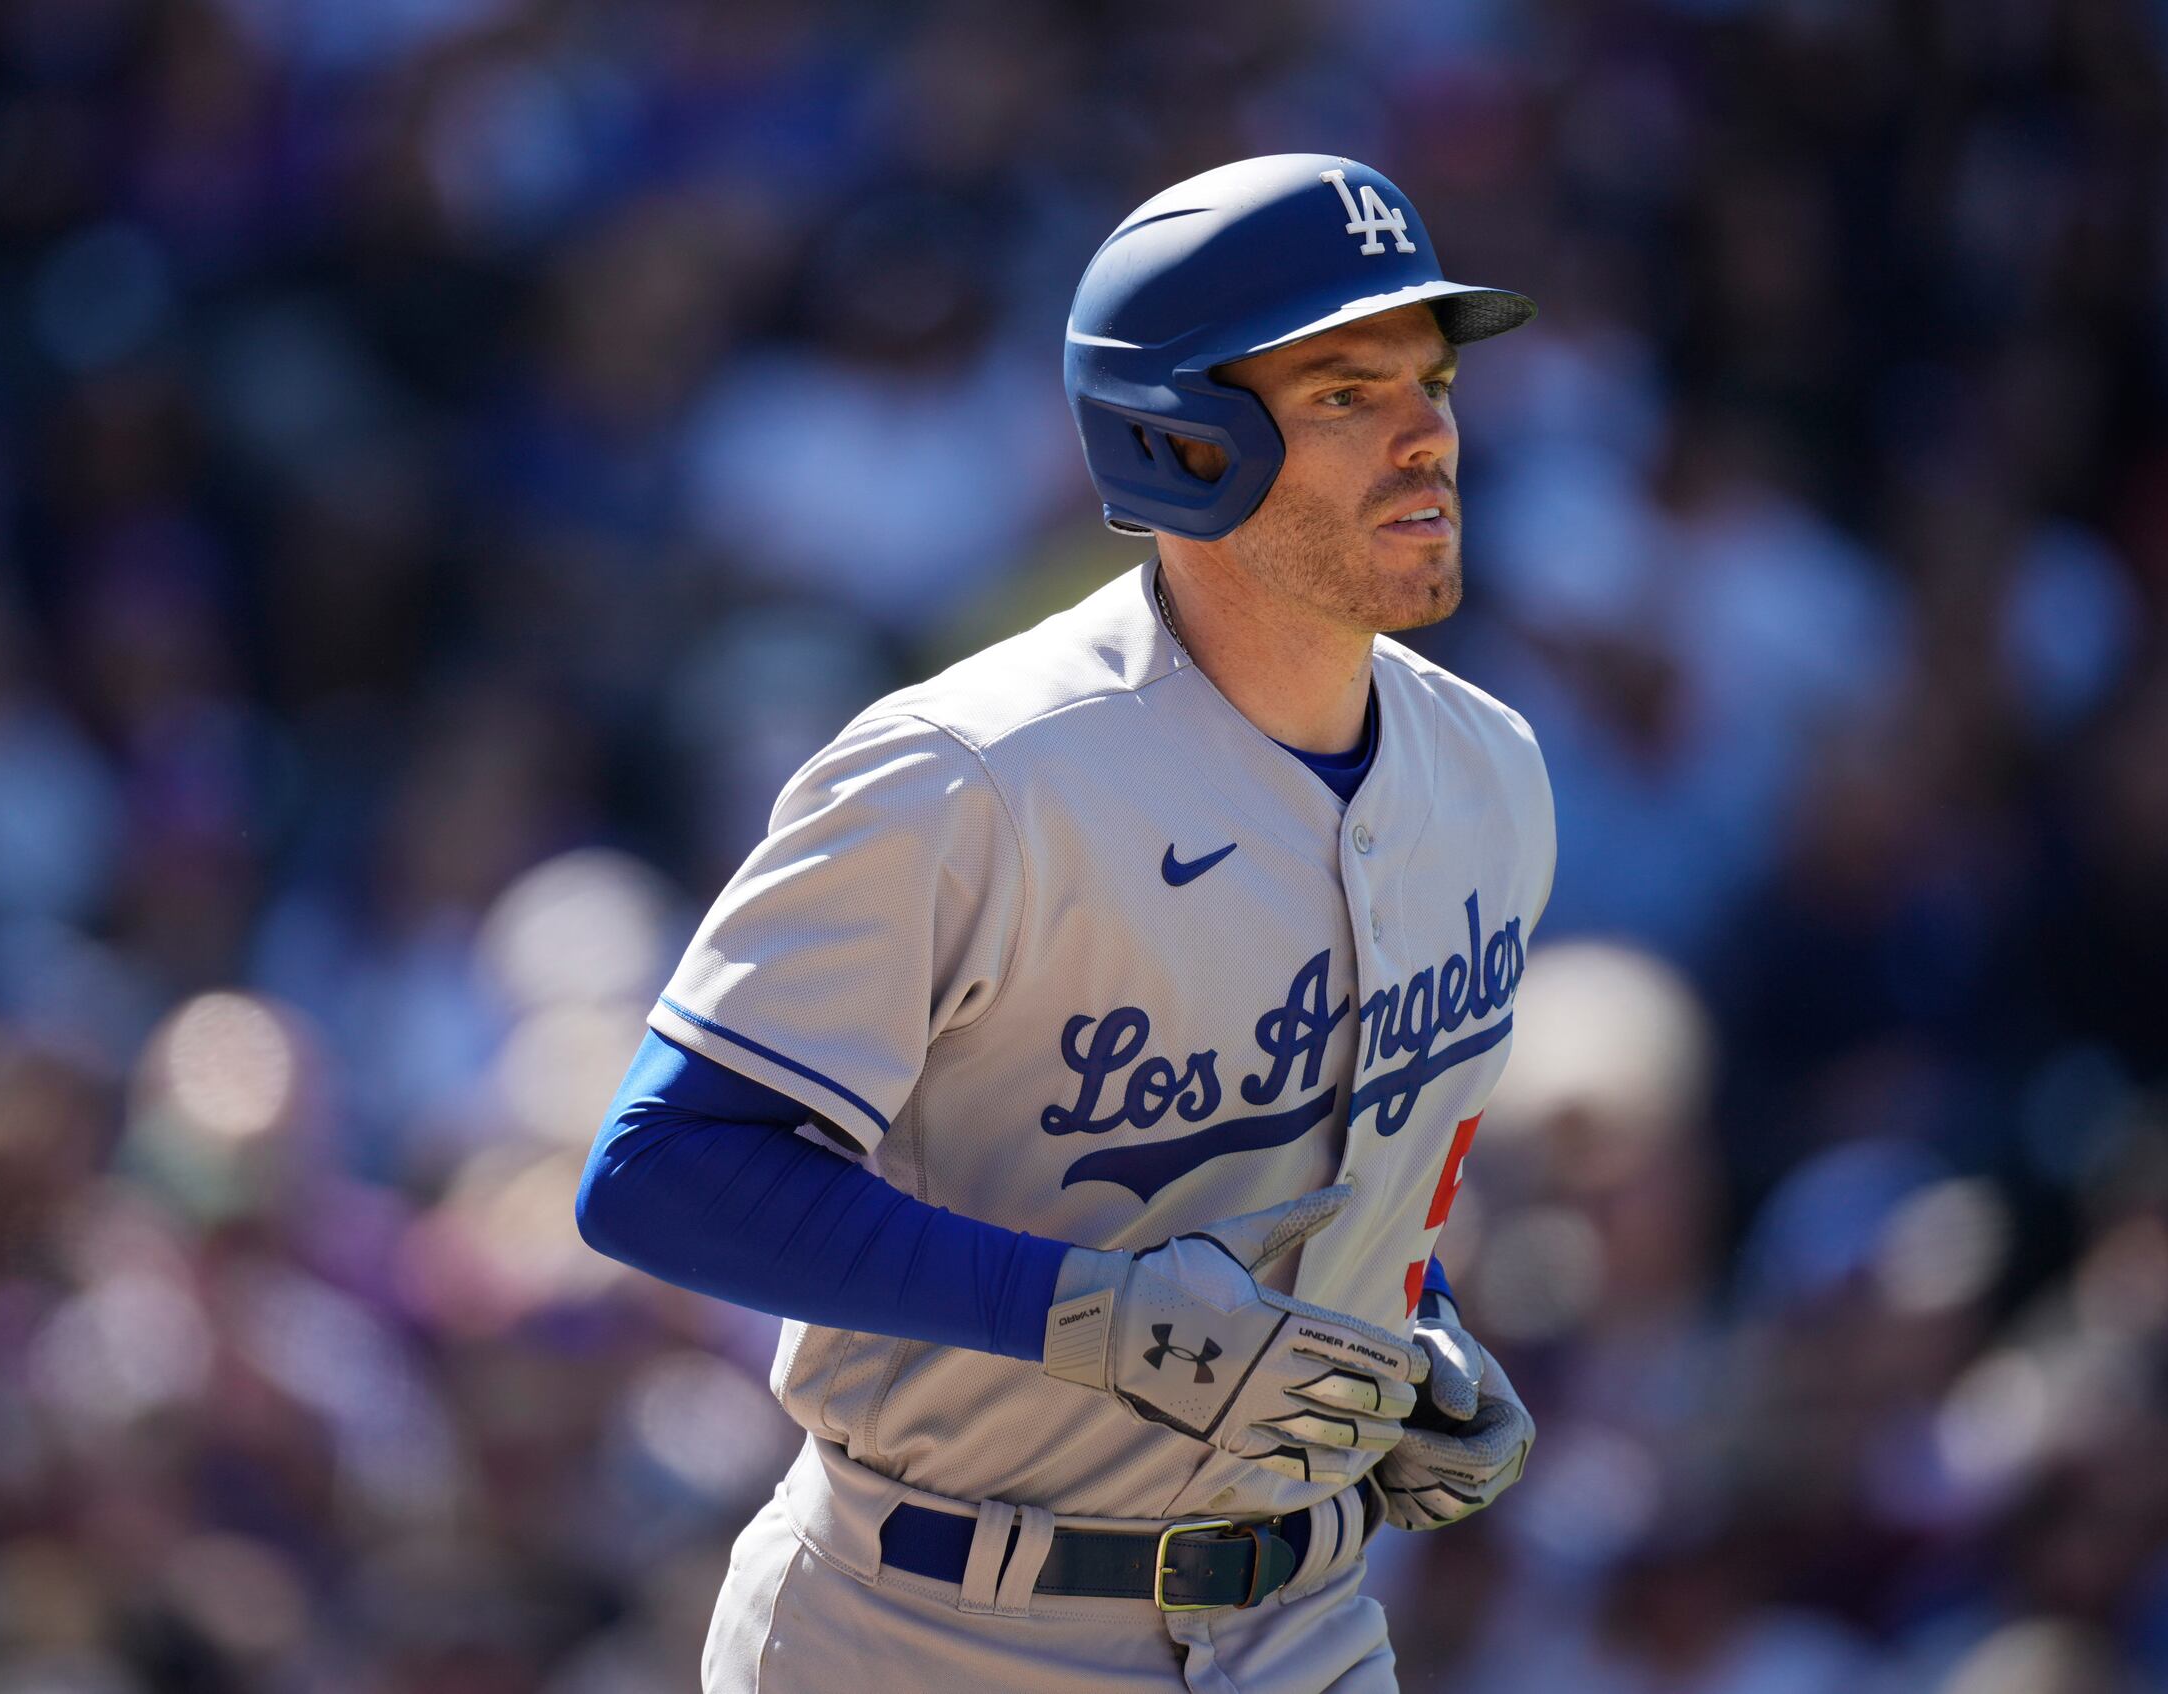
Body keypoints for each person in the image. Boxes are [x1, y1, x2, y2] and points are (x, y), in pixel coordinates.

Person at [575, 154, 1550, 1693]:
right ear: (1186, 439)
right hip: (932, 1621)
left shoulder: (1491, 772)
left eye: (1430, 382)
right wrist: (1086, 1314)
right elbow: (658, 1171)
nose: (1430, 432)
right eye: (1349, 392)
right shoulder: (969, 777)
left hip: (1304, 1623)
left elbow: (1337, 1177)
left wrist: (1409, 1331)